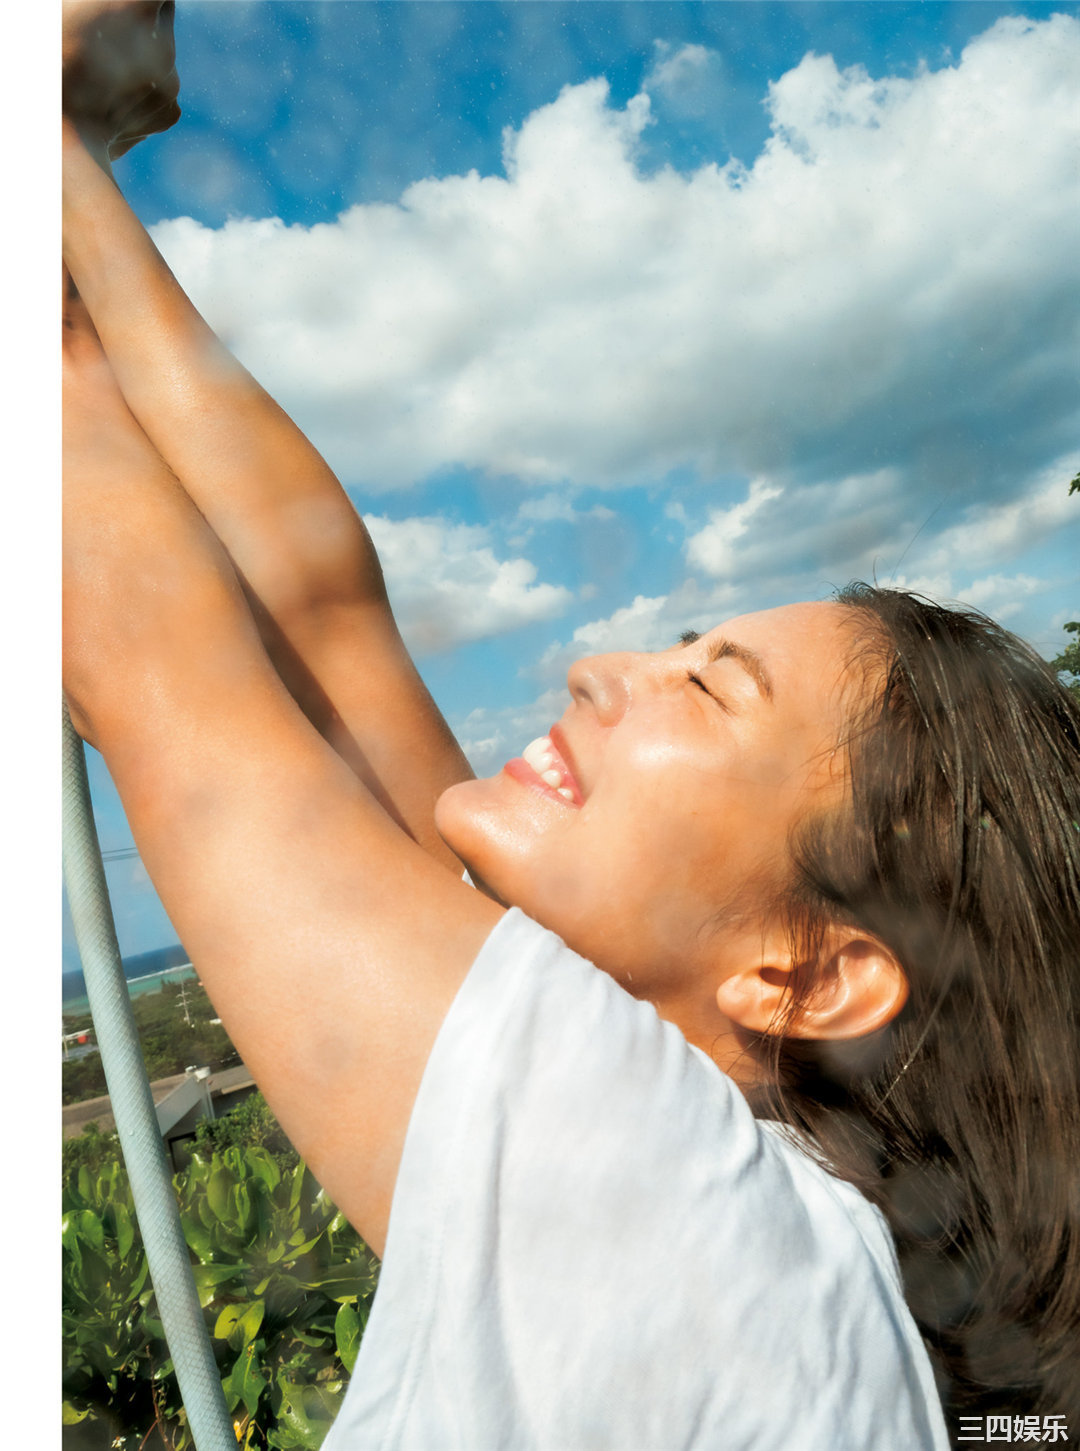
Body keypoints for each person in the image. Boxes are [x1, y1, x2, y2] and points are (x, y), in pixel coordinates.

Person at [62, 5, 1080, 1446]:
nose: (601, 666)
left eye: (709, 688)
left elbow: (155, 661)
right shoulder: (801, 1222)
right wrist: (64, 150)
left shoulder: (713, 1243)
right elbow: (324, 620)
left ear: (816, 971)